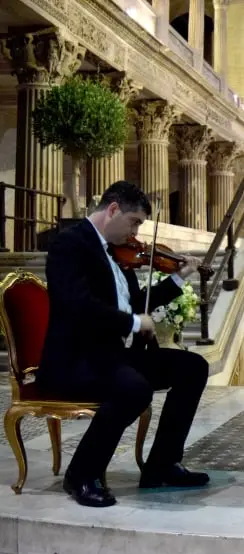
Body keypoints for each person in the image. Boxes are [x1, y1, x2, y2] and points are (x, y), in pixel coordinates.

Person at [38, 181, 210, 508]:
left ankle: (161, 466)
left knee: (192, 367)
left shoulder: (119, 254)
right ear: (113, 210)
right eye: (134, 222)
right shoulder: (69, 245)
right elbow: (79, 305)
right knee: (134, 388)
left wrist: (178, 277)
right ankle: (81, 474)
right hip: (77, 360)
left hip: (113, 356)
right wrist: (132, 323)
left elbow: (137, 302)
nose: (135, 232)